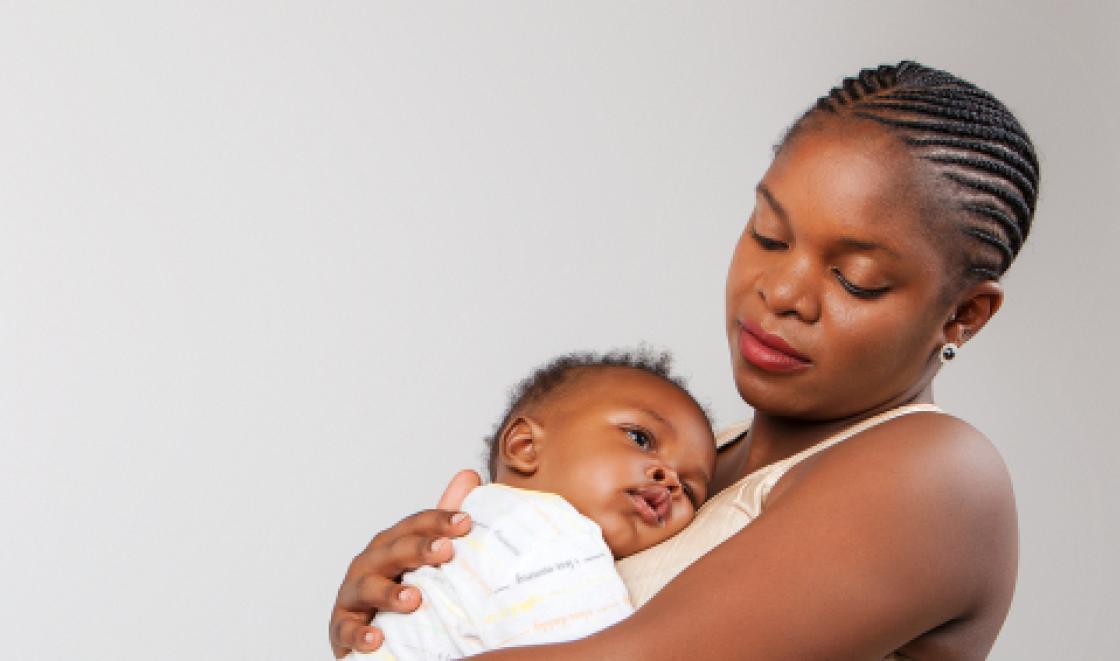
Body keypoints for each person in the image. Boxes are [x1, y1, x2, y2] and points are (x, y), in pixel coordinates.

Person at [330, 61, 1039, 659]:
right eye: (768, 234)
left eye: (854, 277)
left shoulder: (940, 477)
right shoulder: (693, 462)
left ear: (961, 314)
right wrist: (407, 613)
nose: (781, 292)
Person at [349, 350, 716, 660]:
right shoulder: (555, 535)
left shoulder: (484, 519)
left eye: (689, 488)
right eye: (640, 438)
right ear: (525, 446)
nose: (669, 478)